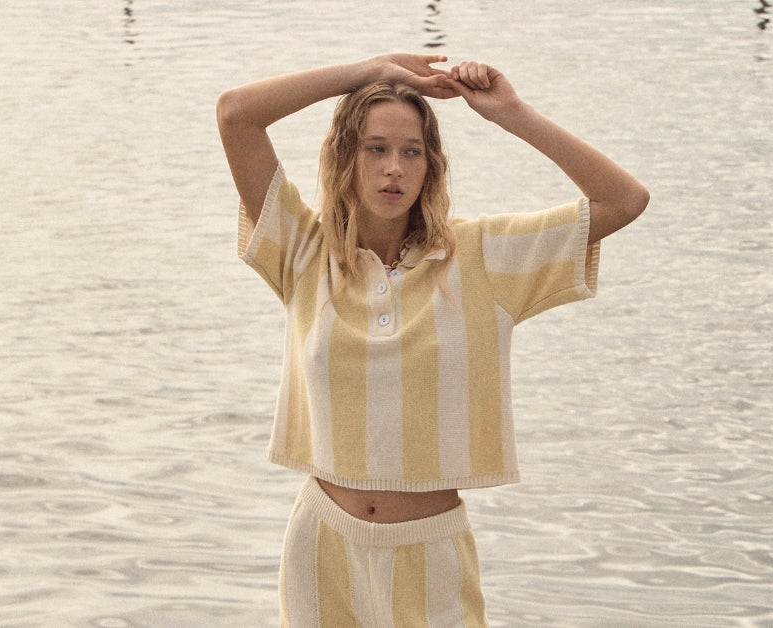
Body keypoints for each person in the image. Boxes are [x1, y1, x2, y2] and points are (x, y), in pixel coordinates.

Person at [217, 53, 648, 627]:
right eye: (375, 148)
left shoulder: (480, 258)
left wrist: (510, 113)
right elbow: (236, 114)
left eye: (412, 152)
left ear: (431, 166)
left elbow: (624, 200)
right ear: (345, 158)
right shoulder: (303, 250)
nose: (393, 168)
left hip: (431, 552)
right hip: (322, 544)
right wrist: (370, 70)